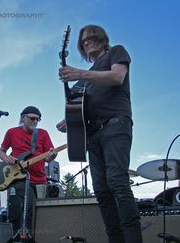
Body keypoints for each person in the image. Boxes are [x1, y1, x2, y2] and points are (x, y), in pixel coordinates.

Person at [57, 24, 142, 242]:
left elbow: (116, 77)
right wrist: (69, 119)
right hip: (93, 135)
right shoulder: (84, 79)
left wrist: (79, 73)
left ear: (101, 37)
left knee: (118, 182)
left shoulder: (116, 52)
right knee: (102, 192)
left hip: (116, 125)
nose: (87, 41)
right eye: (83, 40)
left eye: (91, 37)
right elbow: (74, 103)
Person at [0, 106, 57, 242]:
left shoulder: (43, 133)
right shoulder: (12, 132)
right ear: (23, 118)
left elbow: (48, 158)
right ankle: (25, 238)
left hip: (40, 179)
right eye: (32, 118)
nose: (35, 121)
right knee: (27, 207)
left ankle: (39, 237)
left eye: (37, 119)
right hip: (19, 177)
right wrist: (7, 158)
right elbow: (1, 151)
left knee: (40, 212)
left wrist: (52, 156)